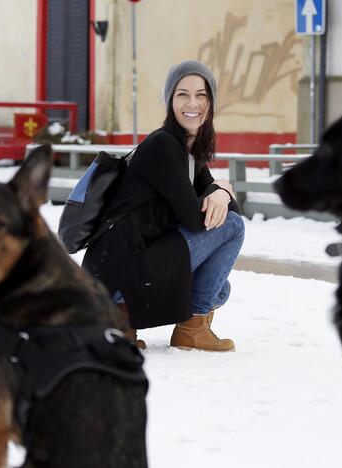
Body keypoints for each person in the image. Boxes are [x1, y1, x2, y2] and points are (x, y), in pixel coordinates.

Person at [82, 60, 244, 352]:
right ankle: (191, 330)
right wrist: (222, 189)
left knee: (220, 288)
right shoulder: (164, 146)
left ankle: (124, 318)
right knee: (232, 227)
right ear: (170, 100)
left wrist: (219, 191)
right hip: (115, 272)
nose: (192, 103)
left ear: (211, 102)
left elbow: (216, 204)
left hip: (122, 268)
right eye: (182, 94)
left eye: (201, 95)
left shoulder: (189, 151)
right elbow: (199, 220)